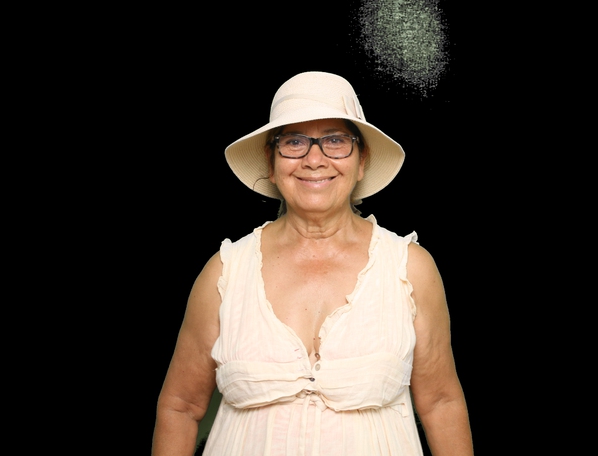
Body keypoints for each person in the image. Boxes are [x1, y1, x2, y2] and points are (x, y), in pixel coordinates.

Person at [152, 71, 473, 455]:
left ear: (361, 161)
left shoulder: (410, 268)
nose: (314, 159)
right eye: (294, 142)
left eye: (336, 140)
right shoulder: (225, 272)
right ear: (271, 163)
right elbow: (180, 407)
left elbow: (441, 403)